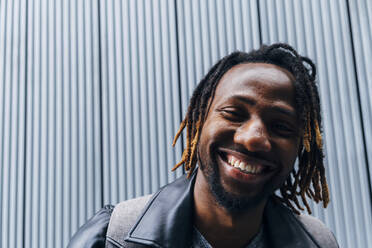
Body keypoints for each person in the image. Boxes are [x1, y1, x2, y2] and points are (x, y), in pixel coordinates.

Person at [68, 43, 339, 248]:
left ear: (301, 147)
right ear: (199, 121)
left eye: (280, 126)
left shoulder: (318, 243)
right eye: (234, 113)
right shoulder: (112, 237)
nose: (253, 138)